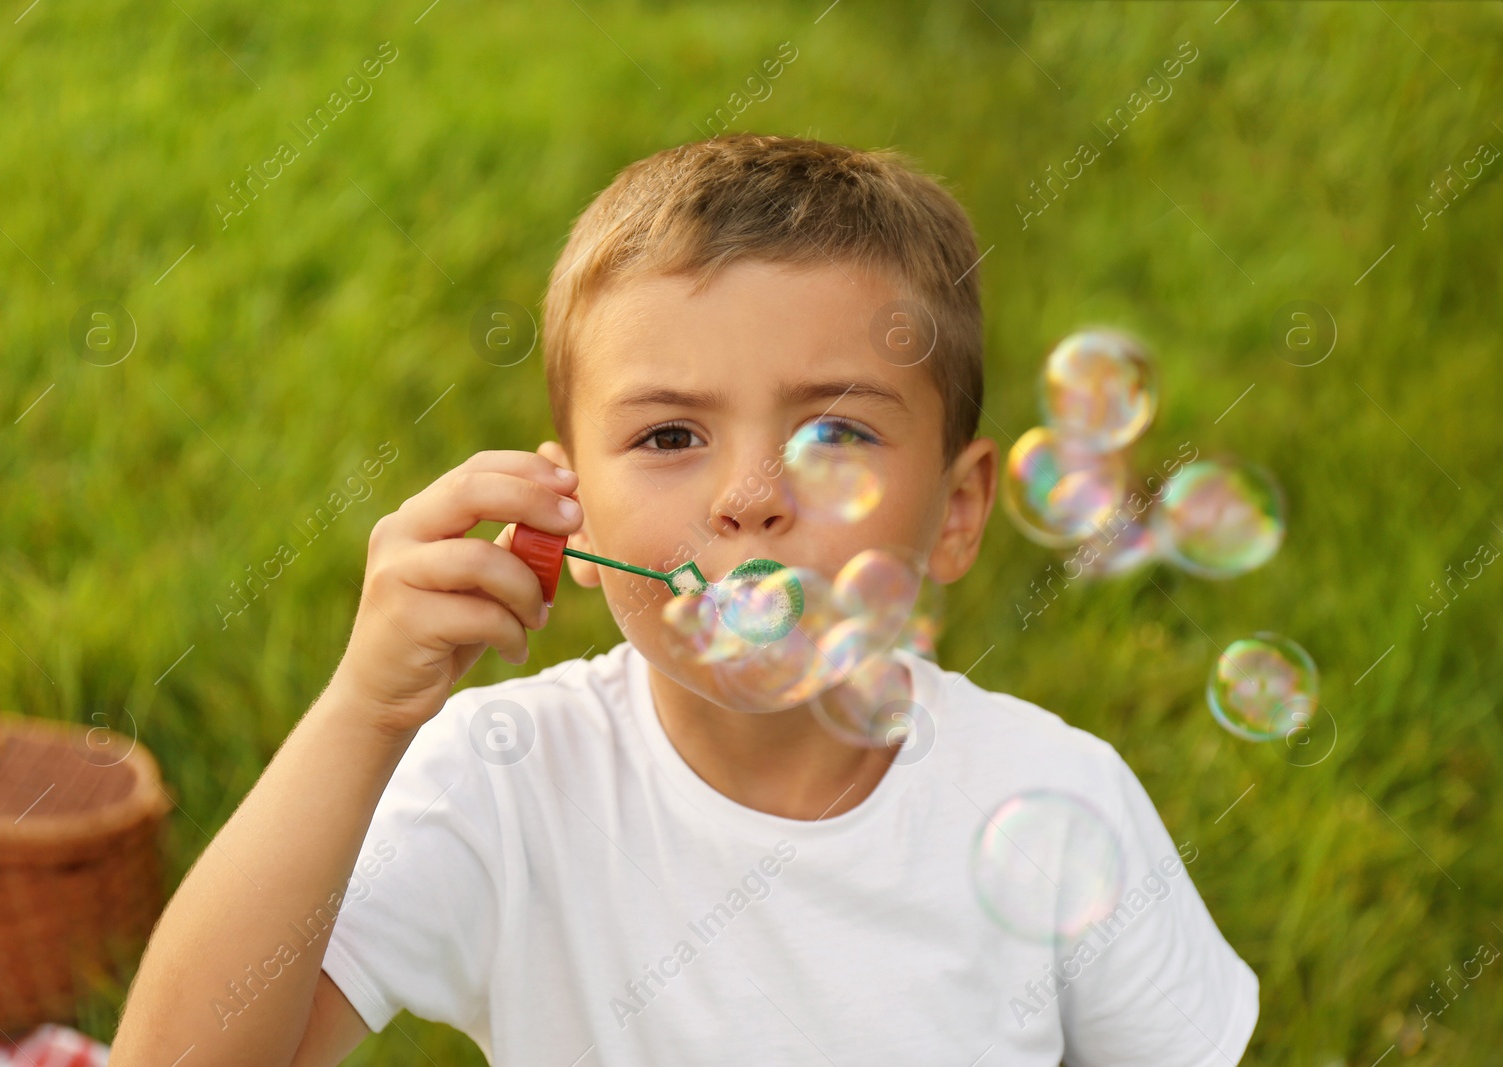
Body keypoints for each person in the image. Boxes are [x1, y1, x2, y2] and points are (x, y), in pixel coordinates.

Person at [113, 133, 1259, 1066]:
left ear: (955, 511)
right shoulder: (508, 776)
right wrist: (364, 712)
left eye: (835, 433)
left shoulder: (1055, 801)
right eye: (669, 434)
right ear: (572, 507)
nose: (750, 499)